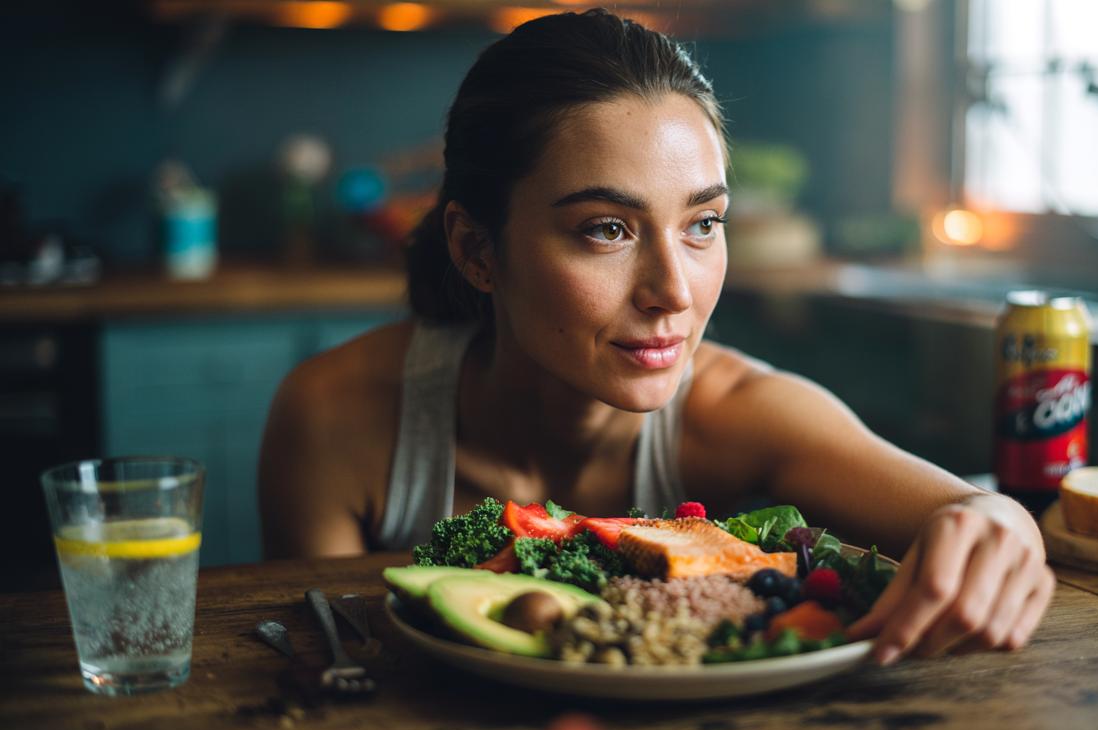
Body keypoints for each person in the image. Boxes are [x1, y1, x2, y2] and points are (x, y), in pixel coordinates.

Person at [258, 8, 1054, 665]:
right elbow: (327, 662)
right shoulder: (337, 417)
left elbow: (973, 511)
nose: (674, 291)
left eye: (703, 223)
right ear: (475, 249)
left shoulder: (738, 409)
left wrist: (996, 528)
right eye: (606, 229)